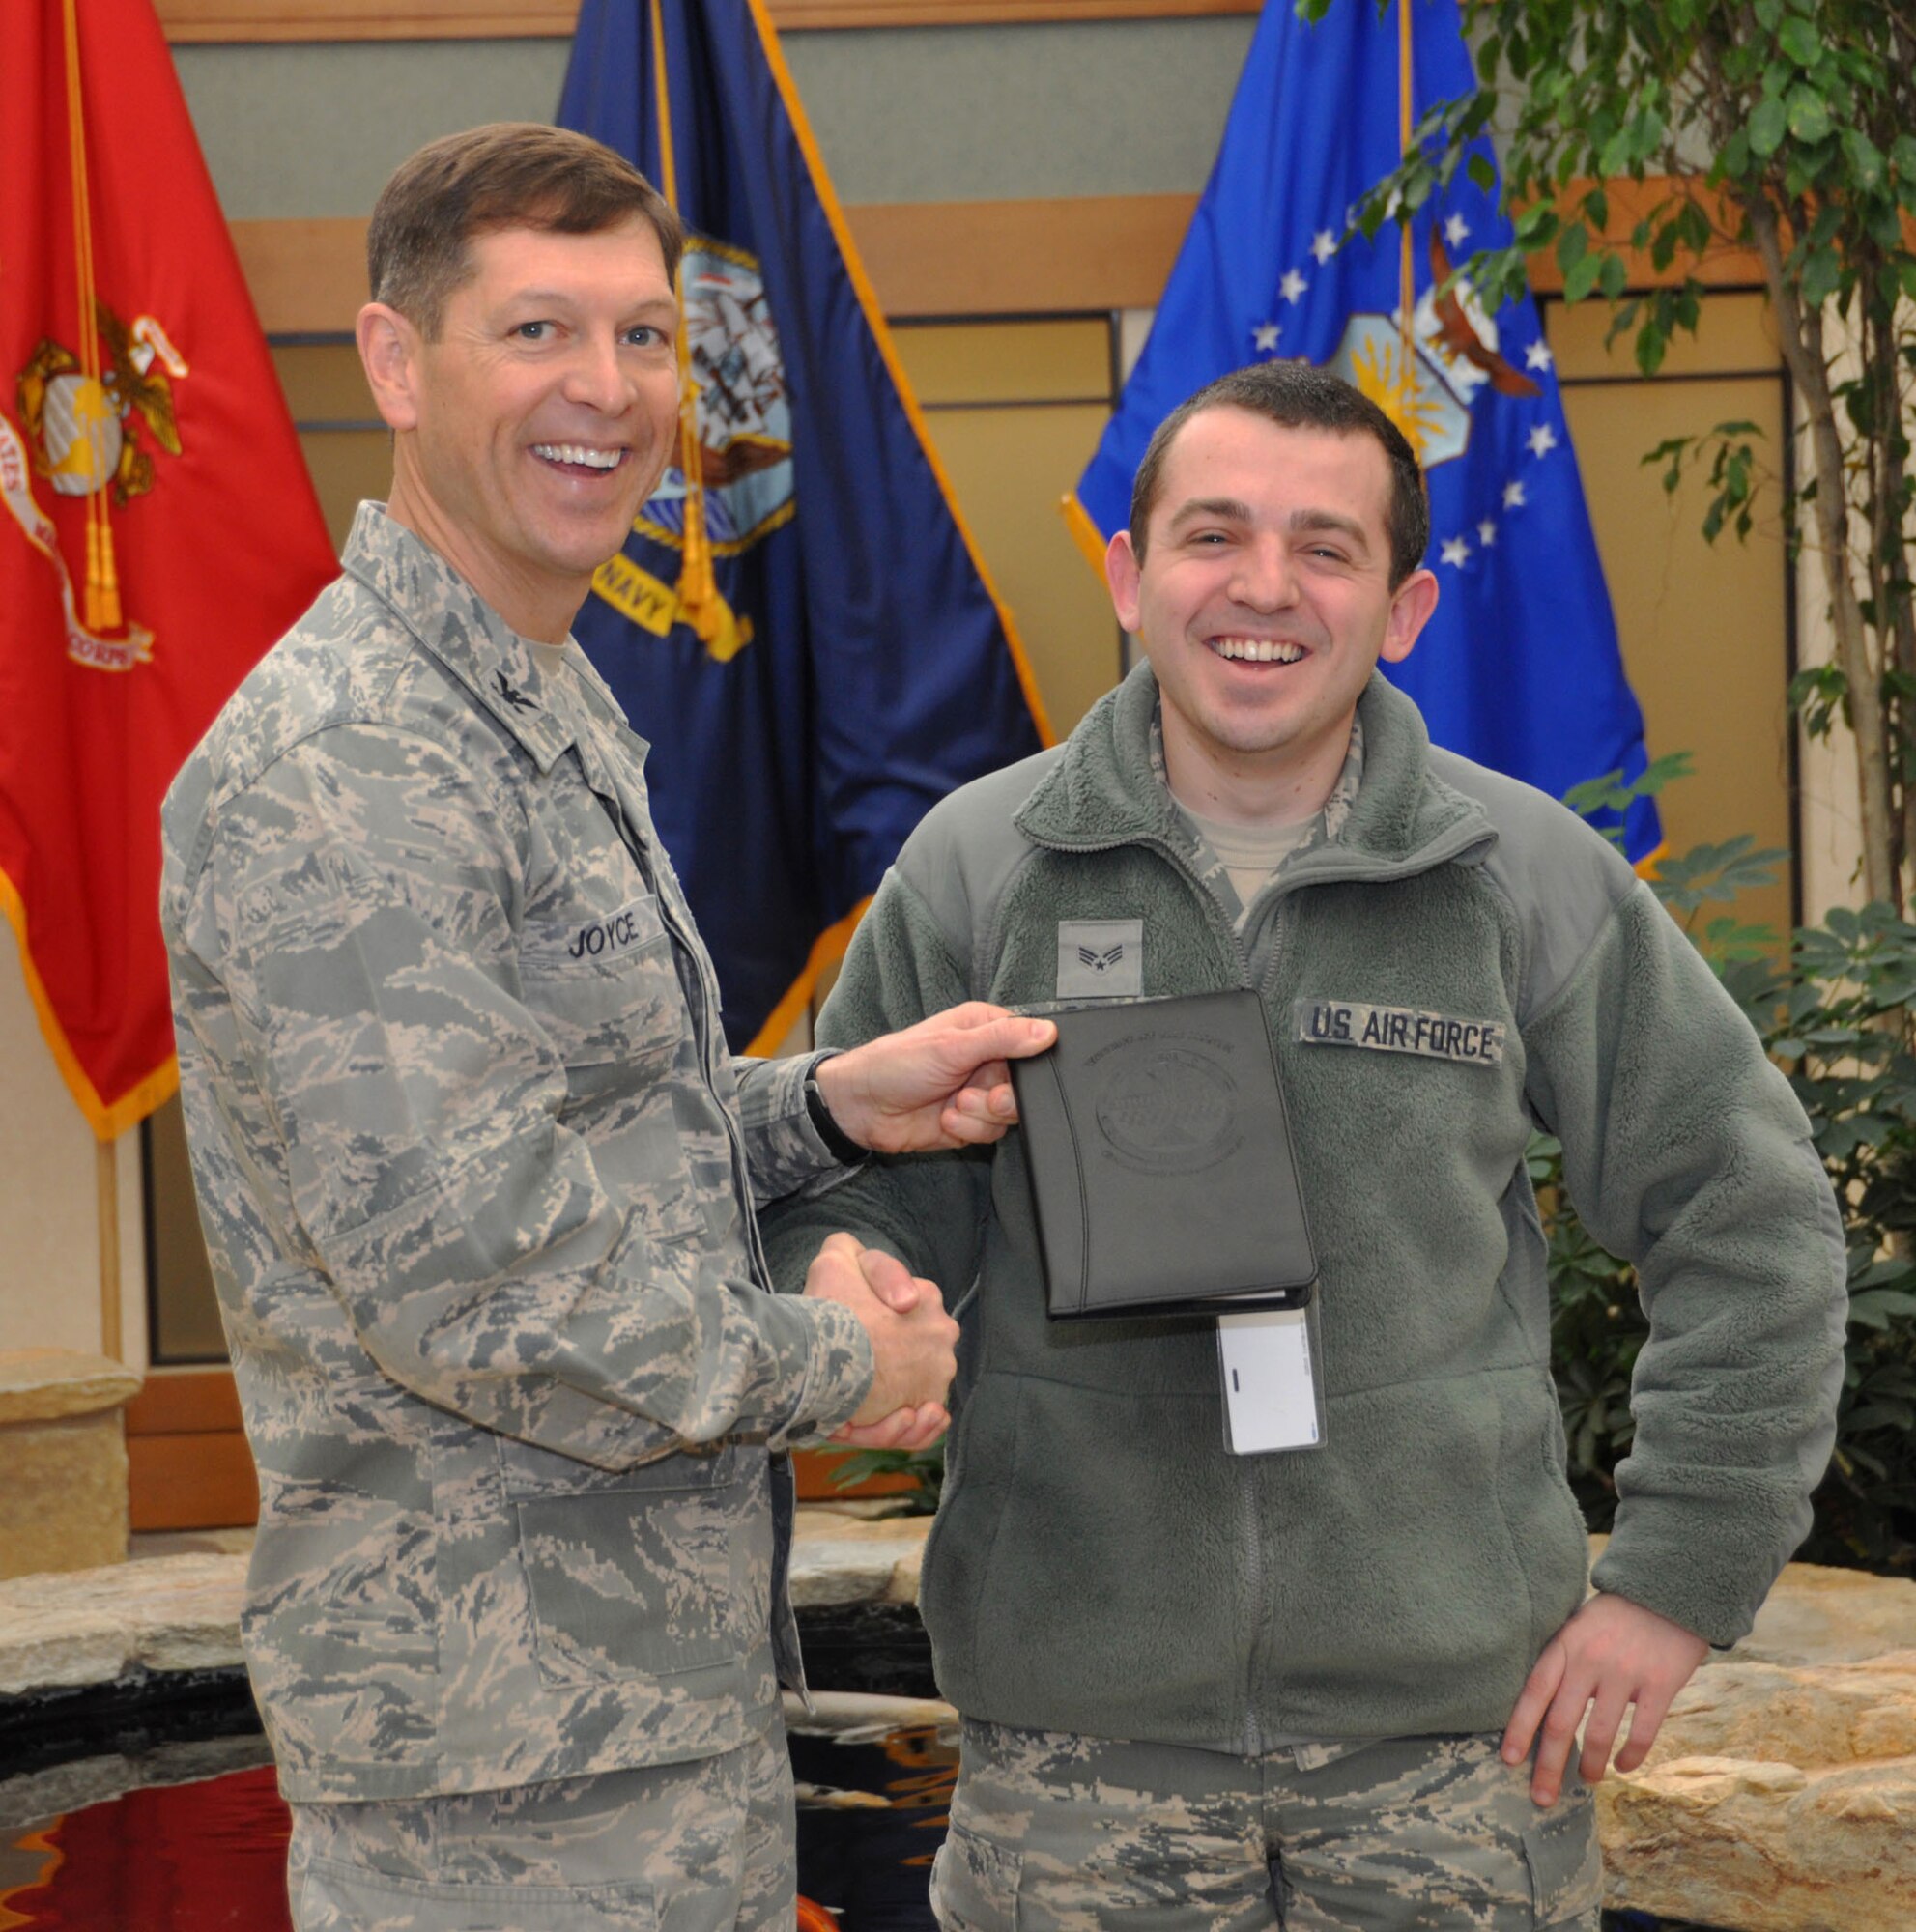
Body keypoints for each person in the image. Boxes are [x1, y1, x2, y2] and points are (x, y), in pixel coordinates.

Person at [759, 360, 1848, 1931]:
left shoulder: (1521, 873)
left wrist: (1677, 1585)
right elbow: (856, 1182)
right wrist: (848, 1285)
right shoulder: (981, 870)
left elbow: (1751, 1215)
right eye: (1212, 537)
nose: (1262, 588)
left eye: (1325, 549)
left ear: (1402, 608)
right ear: (1130, 576)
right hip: (1080, 1760)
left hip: (1457, 1770)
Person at [159, 122, 1052, 1932]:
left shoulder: (529, 691)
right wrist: (839, 1373)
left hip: (619, 1720)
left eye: (647, 337)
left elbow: (559, 1138)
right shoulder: (357, 764)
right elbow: (476, 1285)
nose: (612, 390)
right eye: (540, 332)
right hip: (495, 1777)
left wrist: (824, 1111)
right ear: (398, 365)